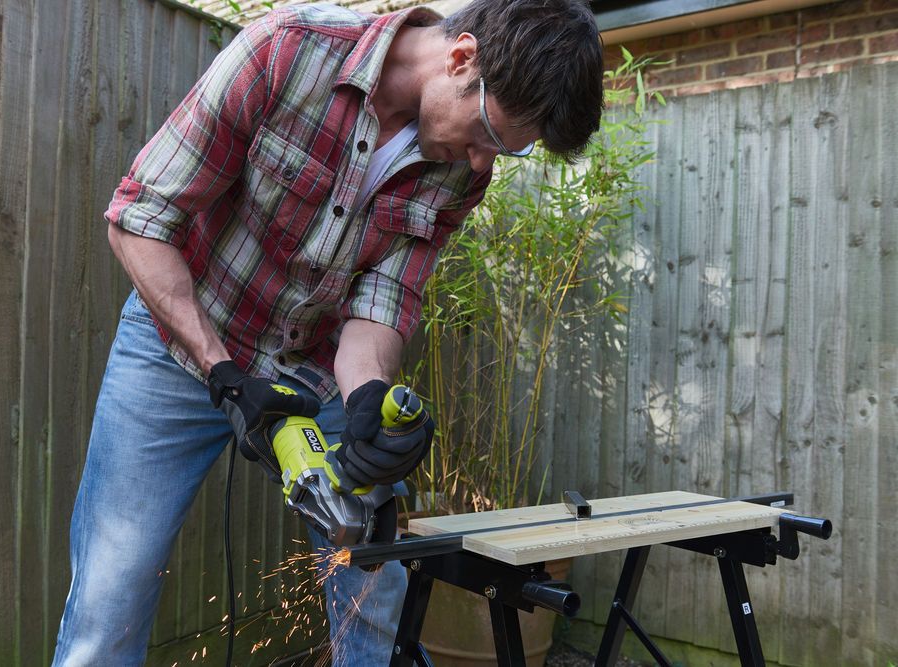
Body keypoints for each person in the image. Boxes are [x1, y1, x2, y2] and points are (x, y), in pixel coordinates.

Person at [51, 0, 603, 663]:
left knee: (372, 579)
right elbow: (140, 218)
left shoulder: (460, 170)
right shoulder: (288, 51)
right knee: (114, 585)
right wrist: (223, 371)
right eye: (491, 135)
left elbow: (385, 297)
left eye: (507, 151)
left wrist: (368, 397)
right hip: (178, 343)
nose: (485, 164)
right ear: (461, 59)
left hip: (314, 363)